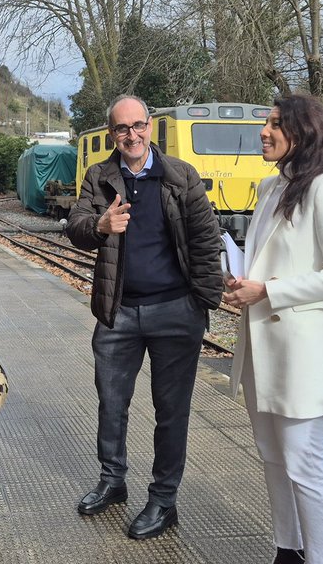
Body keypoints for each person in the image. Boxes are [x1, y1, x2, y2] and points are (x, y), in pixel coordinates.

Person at [222, 94, 323, 564]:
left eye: (275, 124)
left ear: (303, 133)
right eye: (266, 123)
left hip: (304, 352)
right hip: (263, 347)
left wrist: (268, 291)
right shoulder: (270, 187)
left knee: (305, 462)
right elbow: (264, 260)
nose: (264, 131)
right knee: (273, 458)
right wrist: (241, 282)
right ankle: (289, 556)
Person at [65, 95, 223, 539]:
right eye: (122, 128)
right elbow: (76, 227)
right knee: (111, 402)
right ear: (111, 133)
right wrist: (100, 227)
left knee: (171, 410)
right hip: (119, 312)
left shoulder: (180, 176)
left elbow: (206, 242)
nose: (131, 135)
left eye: (138, 125)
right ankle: (113, 481)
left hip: (176, 312)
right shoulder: (99, 176)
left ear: (150, 126)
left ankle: (163, 500)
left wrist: (203, 303)